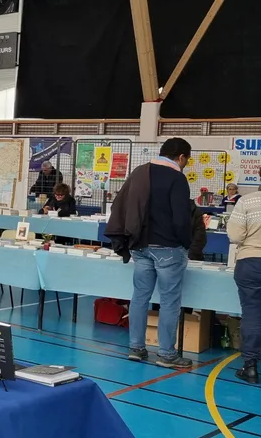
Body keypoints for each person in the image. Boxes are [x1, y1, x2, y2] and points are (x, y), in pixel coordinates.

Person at [105, 137, 194, 369]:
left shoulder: (139, 173)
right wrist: (187, 244)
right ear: (181, 157)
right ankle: (166, 353)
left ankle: (136, 348)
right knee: (169, 301)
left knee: (140, 297)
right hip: (167, 248)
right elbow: (181, 218)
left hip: (139, 246)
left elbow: (120, 205)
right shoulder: (177, 178)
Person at [228, 187, 261, 383]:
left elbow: (235, 236)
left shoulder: (247, 202)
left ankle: (250, 366)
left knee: (252, 313)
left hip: (250, 261)